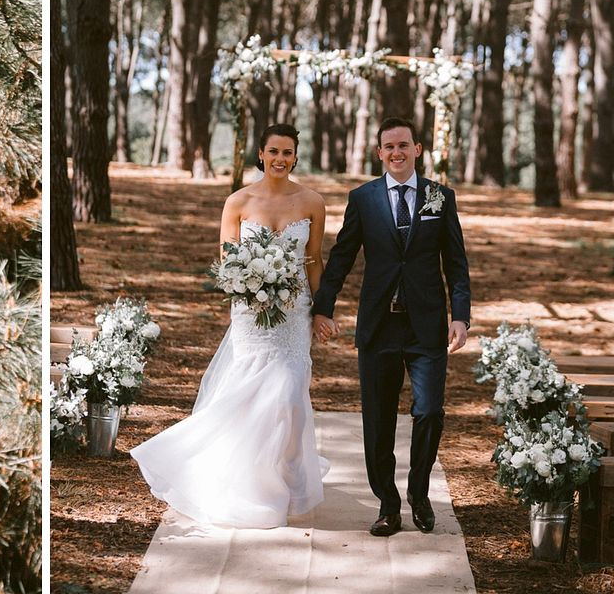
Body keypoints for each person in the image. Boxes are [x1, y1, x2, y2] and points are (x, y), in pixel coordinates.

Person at [130, 123, 330, 528]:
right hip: (250, 313)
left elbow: (314, 261)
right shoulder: (237, 202)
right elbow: (228, 263)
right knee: (246, 396)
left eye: (287, 152)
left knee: (290, 398)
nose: (280, 159)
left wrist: (322, 310)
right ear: (260, 154)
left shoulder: (312, 203)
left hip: (294, 315)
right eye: (273, 151)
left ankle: (284, 477)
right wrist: (250, 287)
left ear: (296, 156)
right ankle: (247, 484)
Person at [311, 116, 471, 538]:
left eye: (404, 145)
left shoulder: (441, 197)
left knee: (429, 411)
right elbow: (342, 256)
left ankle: (419, 494)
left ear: (418, 149)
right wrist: (323, 308)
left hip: (426, 327)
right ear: (379, 153)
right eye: (389, 147)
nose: (396, 153)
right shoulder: (363, 198)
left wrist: (460, 315)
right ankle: (387, 503)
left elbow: (456, 263)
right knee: (378, 419)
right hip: (379, 326)